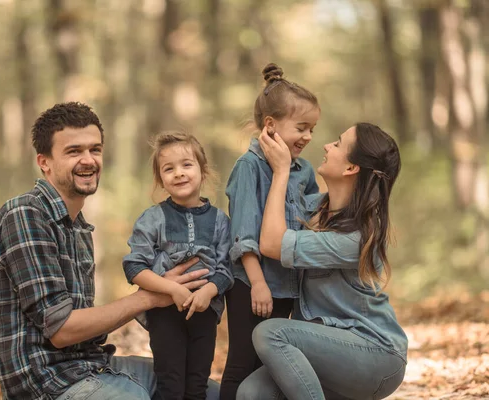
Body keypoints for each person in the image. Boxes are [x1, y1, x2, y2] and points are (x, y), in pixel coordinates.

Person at [0, 102, 220, 400]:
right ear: (44, 162)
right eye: (74, 151)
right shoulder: (24, 214)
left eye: (95, 150)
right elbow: (62, 331)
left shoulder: (79, 227)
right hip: (47, 384)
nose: (88, 160)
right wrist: (150, 296)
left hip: (94, 366)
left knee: (214, 394)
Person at [236, 123, 408, 399]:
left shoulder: (359, 235)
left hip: (376, 355)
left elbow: (271, 243)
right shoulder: (312, 208)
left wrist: (281, 170)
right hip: (325, 354)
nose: (327, 146)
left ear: (351, 168)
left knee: (270, 334)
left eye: (338, 144)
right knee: (251, 393)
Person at [220, 63, 320, 399]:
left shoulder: (303, 170)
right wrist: (258, 283)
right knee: (242, 364)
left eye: (312, 130)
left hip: (287, 285)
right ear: (271, 125)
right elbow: (243, 233)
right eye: (301, 128)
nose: (307, 137)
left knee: (273, 370)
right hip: (253, 284)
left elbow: (311, 219)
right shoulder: (248, 167)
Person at [122, 132, 233, 400]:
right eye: (168, 169)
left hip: (204, 312)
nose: (179, 173)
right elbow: (134, 267)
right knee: (170, 381)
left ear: (203, 170)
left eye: (186, 165)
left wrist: (208, 292)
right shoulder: (153, 218)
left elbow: (227, 267)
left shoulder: (220, 220)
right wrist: (170, 289)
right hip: (165, 314)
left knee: (197, 384)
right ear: (161, 180)